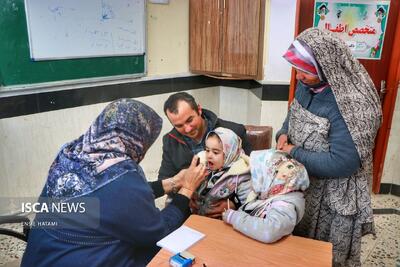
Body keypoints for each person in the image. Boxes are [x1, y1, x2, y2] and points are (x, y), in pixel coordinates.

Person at [21, 99, 207, 267]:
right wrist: (187, 188)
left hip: (41, 254)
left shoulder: (72, 153)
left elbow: (112, 200)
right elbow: (158, 231)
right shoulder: (121, 175)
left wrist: (173, 182)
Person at [276, 28, 382, 266]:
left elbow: (343, 162)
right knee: (298, 252)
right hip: (303, 183)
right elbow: (293, 115)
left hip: (333, 196)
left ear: (326, 66)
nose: (298, 76)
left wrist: (293, 151)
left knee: (324, 256)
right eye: (297, 69)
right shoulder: (308, 86)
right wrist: (283, 133)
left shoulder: (352, 103)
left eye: (306, 70)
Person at [159, 92, 252, 215]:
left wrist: (233, 204)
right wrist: (185, 194)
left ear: (199, 109)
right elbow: (165, 179)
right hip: (190, 206)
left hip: (230, 208)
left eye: (190, 120)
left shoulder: (233, 131)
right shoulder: (170, 140)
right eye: (179, 126)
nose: (187, 129)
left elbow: (253, 175)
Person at [222, 149, 309, 243]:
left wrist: (234, 217)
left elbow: (268, 232)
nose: (253, 181)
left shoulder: (285, 206)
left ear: (273, 179)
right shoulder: (270, 196)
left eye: (259, 176)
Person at [192, 127, 252, 218]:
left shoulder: (242, 175)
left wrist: (233, 206)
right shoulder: (204, 166)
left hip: (226, 224)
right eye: (207, 150)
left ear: (229, 153)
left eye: (215, 152)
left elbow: (249, 207)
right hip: (201, 219)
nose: (209, 156)